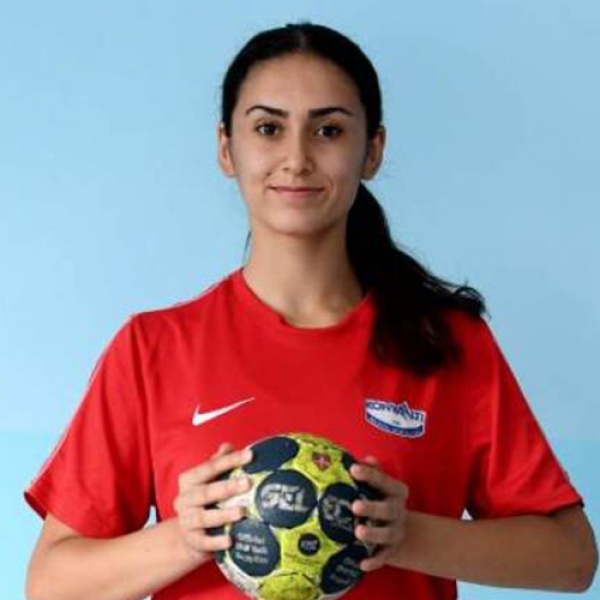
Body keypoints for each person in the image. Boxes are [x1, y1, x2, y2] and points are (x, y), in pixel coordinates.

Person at [24, 21, 597, 600]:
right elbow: (49, 585)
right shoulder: (153, 348)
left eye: (328, 130)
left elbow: (571, 560)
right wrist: (186, 537)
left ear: (372, 150)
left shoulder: (444, 340)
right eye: (268, 128)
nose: (296, 159)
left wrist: (408, 535)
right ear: (226, 148)